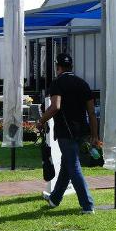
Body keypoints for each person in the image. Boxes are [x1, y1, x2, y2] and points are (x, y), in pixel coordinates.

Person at [36, 53, 97, 214]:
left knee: (73, 166)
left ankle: (87, 205)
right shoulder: (83, 83)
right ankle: (55, 199)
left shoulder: (57, 83)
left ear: (58, 67)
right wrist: (94, 134)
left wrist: (41, 121)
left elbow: (55, 106)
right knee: (67, 165)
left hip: (65, 131)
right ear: (71, 66)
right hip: (82, 130)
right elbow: (91, 113)